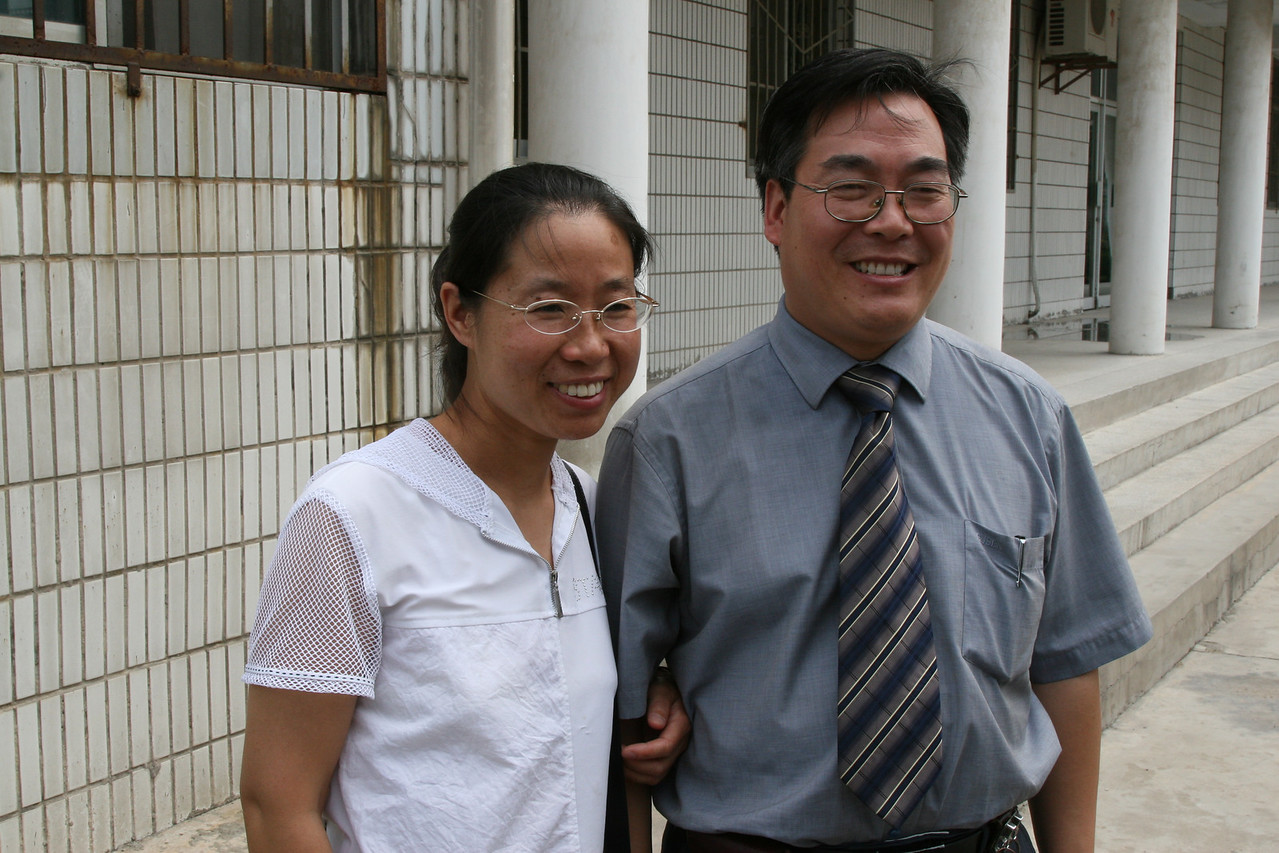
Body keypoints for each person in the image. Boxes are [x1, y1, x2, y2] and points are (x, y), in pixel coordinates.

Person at [597, 48, 1152, 853]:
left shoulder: (1028, 416)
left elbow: (1064, 663)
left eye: (924, 191)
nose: (891, 222)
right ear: (777, 208)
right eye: (851, 188)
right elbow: (616, 709)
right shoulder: (666, 441)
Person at [239, 162, 688, 852]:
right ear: (459, 312)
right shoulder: (354, 513)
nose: (590, 344)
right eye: (548, 309)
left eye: (616, 305)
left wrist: (659, 691)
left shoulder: (590, 510)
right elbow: (279, 806)